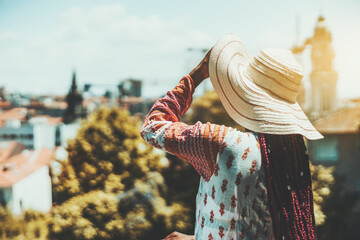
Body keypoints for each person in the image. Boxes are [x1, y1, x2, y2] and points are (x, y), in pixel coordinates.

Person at [141, 34, 323, 240]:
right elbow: (252, 229)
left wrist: (197, 74)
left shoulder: (219, 143)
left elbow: (152, 127)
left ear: (244, 93)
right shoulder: (289, 159)